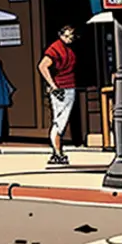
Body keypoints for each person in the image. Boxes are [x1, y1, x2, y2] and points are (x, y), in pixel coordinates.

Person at [38, 25, 78, 166]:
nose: (69, 39)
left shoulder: (66, 49)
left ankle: (58, 151)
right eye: (67, 36)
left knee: (61, 119)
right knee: (60, 121)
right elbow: (43, 66)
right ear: (60, 35)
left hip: (68, 86)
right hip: (62, 87)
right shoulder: (56, 49)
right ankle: (57, 152)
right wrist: (53, 85)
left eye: (71, 36)